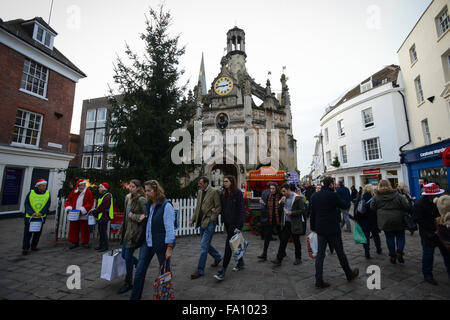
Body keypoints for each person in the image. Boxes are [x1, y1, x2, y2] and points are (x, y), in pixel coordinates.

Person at [310, 177, 358, 288]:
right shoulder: (333, 195)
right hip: (333, 229)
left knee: (320, 255)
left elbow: (312, 213)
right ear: (331, 184)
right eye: (333, 184)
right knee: (340, 252)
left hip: (320, 228)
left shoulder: (315, 196)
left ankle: (319, 280)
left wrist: (313, 227)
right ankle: (349, 274)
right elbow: (345, 205)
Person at [130, 180, 175, 300]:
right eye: (145, 190)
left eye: (149, 190)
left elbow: (170, 229)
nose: (146, 193)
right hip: (147, 243)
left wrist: (169, 247)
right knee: (139, 272)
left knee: (164, 273)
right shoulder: (149, 205)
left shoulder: (166, 206)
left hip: (161, 244)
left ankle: (165, 297)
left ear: (156, 190)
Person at [413, 184, 449, 285]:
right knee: (428, 255)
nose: (438, 195)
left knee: (447, 254)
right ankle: (427, 274)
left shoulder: (440, 201)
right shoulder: (419, 204)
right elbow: (416, 219)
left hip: (442, 232)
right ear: (429, 195)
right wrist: (432, 225)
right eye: (436, 194)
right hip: (428, 234)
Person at [370, 179, 411, 264]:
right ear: (389, 185)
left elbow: (372, 207)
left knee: (389, 237)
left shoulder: (376, 196)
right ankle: (399, 251)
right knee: (400, 236)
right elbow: (406, 206)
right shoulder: (397, 194)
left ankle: (392, 255)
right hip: (398, 218)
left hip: (385, 220)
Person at [117, 179, 147, 294]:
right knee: (124, 255)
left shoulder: (141, 199)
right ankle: (140, 265)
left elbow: (145, 215)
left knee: (128, 257)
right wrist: (121, 228)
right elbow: (125, 216)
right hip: (126, 232)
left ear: (139, 188)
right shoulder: (127, 197)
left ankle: (128, 282)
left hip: (134, 234)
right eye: (130, 186)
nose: (131, 188)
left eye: (133, 186)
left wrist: (133, 216)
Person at [189, 177, 222, 279]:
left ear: (206, 183)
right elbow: (198, 207)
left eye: (201, 183)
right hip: (201, 223)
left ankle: (200, 270)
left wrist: (212, 219)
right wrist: (193, 219)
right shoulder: (200, 192)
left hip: (209, 223)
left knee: (204, 247)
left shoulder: (214, 192)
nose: (199, 185)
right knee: (206, 244)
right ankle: (218, 257)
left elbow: (218, 207)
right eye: (199, 183)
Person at [214, 176, 246, 281]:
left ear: (232, 182)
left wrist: (240, 226)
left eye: (226, 181)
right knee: (234, 243)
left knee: (228, 245)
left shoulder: (237, 193)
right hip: (227, 223)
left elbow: (241, 210)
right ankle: (240, 262)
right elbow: (222, 207)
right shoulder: (224, 193)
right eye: (223, 181)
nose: (224, 183)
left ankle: (223, 270)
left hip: (235, 223)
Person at [271, 183, 306, 266]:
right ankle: (279, 259)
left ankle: (298, 258)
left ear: (288, 190)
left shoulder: (297, 198)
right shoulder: (283, 198)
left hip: (295, 223)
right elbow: (279, 210)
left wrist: (291, 213)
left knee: (296, 241)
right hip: (286, 223)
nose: (283, 193)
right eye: (282, 192)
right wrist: (281, 203)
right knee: (283, 241)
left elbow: (302, 211)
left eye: (284, 191)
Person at [22, 179, 51, 255]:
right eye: (43, 185)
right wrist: (31, 213)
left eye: (45, 185)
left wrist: (42, 212)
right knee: (27, 233)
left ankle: (34, 246)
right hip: (30, 217)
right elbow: (26, 204)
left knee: (37, 233)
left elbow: (47, 204)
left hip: (40, 217)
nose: (45, 187)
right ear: (38, 186)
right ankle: (25, 248)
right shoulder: (31, 193)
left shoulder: (47, 193)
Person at [353, 184, 382, 259]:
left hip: (363, 220)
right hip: (373, 220)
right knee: (375, 235)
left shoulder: (360, 197)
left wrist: (356, 219)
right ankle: (378, 249)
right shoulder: (374, 197)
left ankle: (367, 253)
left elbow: (356, 208)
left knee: (366, 237)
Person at [64, 179, 94, 249]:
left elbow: (90, 203)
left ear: (84, 185)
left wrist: (82, 210)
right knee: (73, 228)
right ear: (78, 186)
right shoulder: (74, 192)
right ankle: (74, 242)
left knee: (85, 229)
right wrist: (68, 208)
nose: (81, 187)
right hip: (74, 214)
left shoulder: (88, 192)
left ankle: (85, 242)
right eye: (80, 185)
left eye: (82, 185)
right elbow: (68, 201)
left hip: (83, 214)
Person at [257, 182, 283, 261]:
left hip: (278, 220)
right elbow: (267, 207)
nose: (271, 190)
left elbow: (281, 208)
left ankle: (282, 253)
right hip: (270, 219)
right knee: (267, 237)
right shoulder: (269, 196)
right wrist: (263, 203)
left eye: (273, 189)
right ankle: (264, 254)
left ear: (276, 189)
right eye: (270, 188)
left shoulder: (281, 196)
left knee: (281, 238)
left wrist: (280, 203)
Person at [89, 183, 114, 252]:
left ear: (104, 188)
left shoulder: (107, 196)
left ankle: (105, 246)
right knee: (101, 231)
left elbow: (102, 207)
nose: (99, 189)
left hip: (104, 216)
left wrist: (95, 211)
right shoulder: (103, 196)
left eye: (100, 187)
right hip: (101, 216)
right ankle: (101, 245)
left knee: (103, 232)